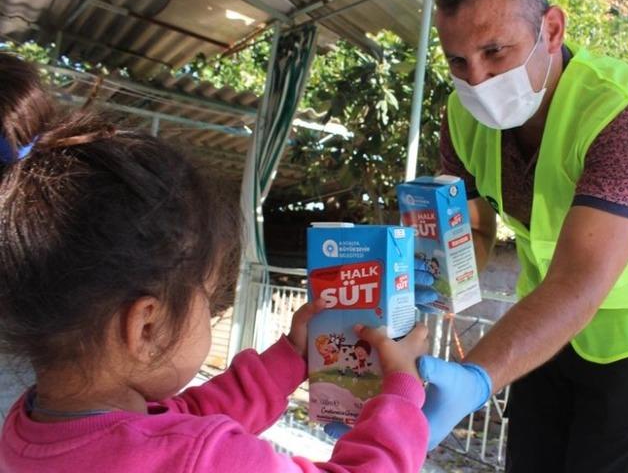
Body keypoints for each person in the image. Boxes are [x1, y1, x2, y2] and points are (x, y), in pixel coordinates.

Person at [0, 52, 430, 473]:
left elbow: (179, 420)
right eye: (206, 297)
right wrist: (401, 396)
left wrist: (294, 357)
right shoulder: (200, 460)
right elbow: (190, 444)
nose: (210, 310)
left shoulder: (29, 427)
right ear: (146, 326)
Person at [416, 0, 628, 471]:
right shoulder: (461, 117)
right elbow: (475, 228)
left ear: (552, 30)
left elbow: (579, 282)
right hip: (543, 325)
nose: (475, 78)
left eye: (495, 51)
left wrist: (475, 379)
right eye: (458, 59)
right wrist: (433, 285)